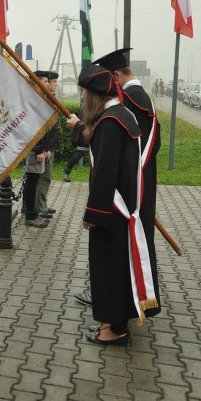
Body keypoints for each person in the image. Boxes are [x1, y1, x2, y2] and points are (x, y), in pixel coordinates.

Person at [68, 65, 158, 346]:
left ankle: (115, 329)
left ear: (94, 94)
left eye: (84, 92)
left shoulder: (109, 122)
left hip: (113, 211)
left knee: (111, 268)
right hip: (126, 206)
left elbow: (105, 173)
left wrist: (93, 214)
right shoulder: (122, 115)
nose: (82, 97)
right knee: (120, 267)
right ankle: (116, 322)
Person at [22, 70, 55, 228]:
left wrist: (46, 148)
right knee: (32, 181)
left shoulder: (39, 99)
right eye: (45, 81)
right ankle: (30, 215)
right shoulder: (32, 101)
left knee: (34, 181)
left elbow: (46, 128)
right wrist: (39, 149)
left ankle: (32, 212)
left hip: (40, 148)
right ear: (36, 83)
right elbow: (32, 129)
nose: (48, 84)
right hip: (35, 149)